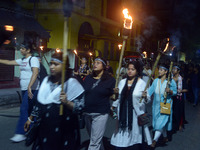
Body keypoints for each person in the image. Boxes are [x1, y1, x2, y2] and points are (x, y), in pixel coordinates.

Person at [24, 52, 84, 150]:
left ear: (64, 66)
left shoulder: (72, 83)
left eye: (56, 64)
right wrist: (30, 118)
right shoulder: (46, 81)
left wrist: (67, 103)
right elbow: (39, 103)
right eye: (51, 63)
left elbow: (81, 107)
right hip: (45, 129)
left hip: (64, 130)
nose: (52, 67)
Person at [0, 41, 40, 142]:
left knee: (23, 108)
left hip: (32, 89)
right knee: (30, 110)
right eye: (20, 48)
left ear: (28, 50)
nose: (21, 50)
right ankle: (33, 129)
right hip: (24, 89)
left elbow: (35, 72)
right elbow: (9, 62)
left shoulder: (33, 59)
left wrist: (30, 86)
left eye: (23, 48)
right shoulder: (22, 60)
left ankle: (20, 133)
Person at [110, 61, 152, 150]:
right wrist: (114, 105)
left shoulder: (142, 83)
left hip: (135, 114)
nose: (130, 71)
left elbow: (148, 99)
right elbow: (118, 98)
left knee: (134, 139)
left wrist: (145, 97)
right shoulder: (122, 82)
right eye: (128, 69)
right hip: (122, 113)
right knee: (121, 137)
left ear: (137, 71)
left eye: (132, 69)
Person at [83, 57, 116, 150]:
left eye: (98, 63)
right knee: (95, 139)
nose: (95, 64)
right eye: (94, 62)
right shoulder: (88, 78)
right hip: (87, 113)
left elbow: (114, 98)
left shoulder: (110, 80)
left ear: (104, 66)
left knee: (94, 143)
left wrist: (116, 93)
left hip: (100, 113)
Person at [146, 64, 177, 148]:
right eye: (159, 69)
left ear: (166, 71)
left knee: (160, 123)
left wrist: (170, 91)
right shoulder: (156, 81)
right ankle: (165, 136)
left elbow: (175, 92)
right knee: (157, 123)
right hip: (155, 106)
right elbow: (150, 91)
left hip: (166, 105)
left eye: (161, 70)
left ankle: (154, 141)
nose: (159, 71)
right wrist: (145, 94)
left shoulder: (171, 81)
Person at [172, 65, 188, 132]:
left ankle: (180, 125)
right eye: (173, 69)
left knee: (180, 112)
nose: (173, 70)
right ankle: (173, 125)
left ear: (178, 71)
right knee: (173, 112)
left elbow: (186, 90)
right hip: (173, 97)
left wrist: (180, 91)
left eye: (175, 69)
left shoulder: (182, 79)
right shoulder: (171, 79)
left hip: (179, 98)